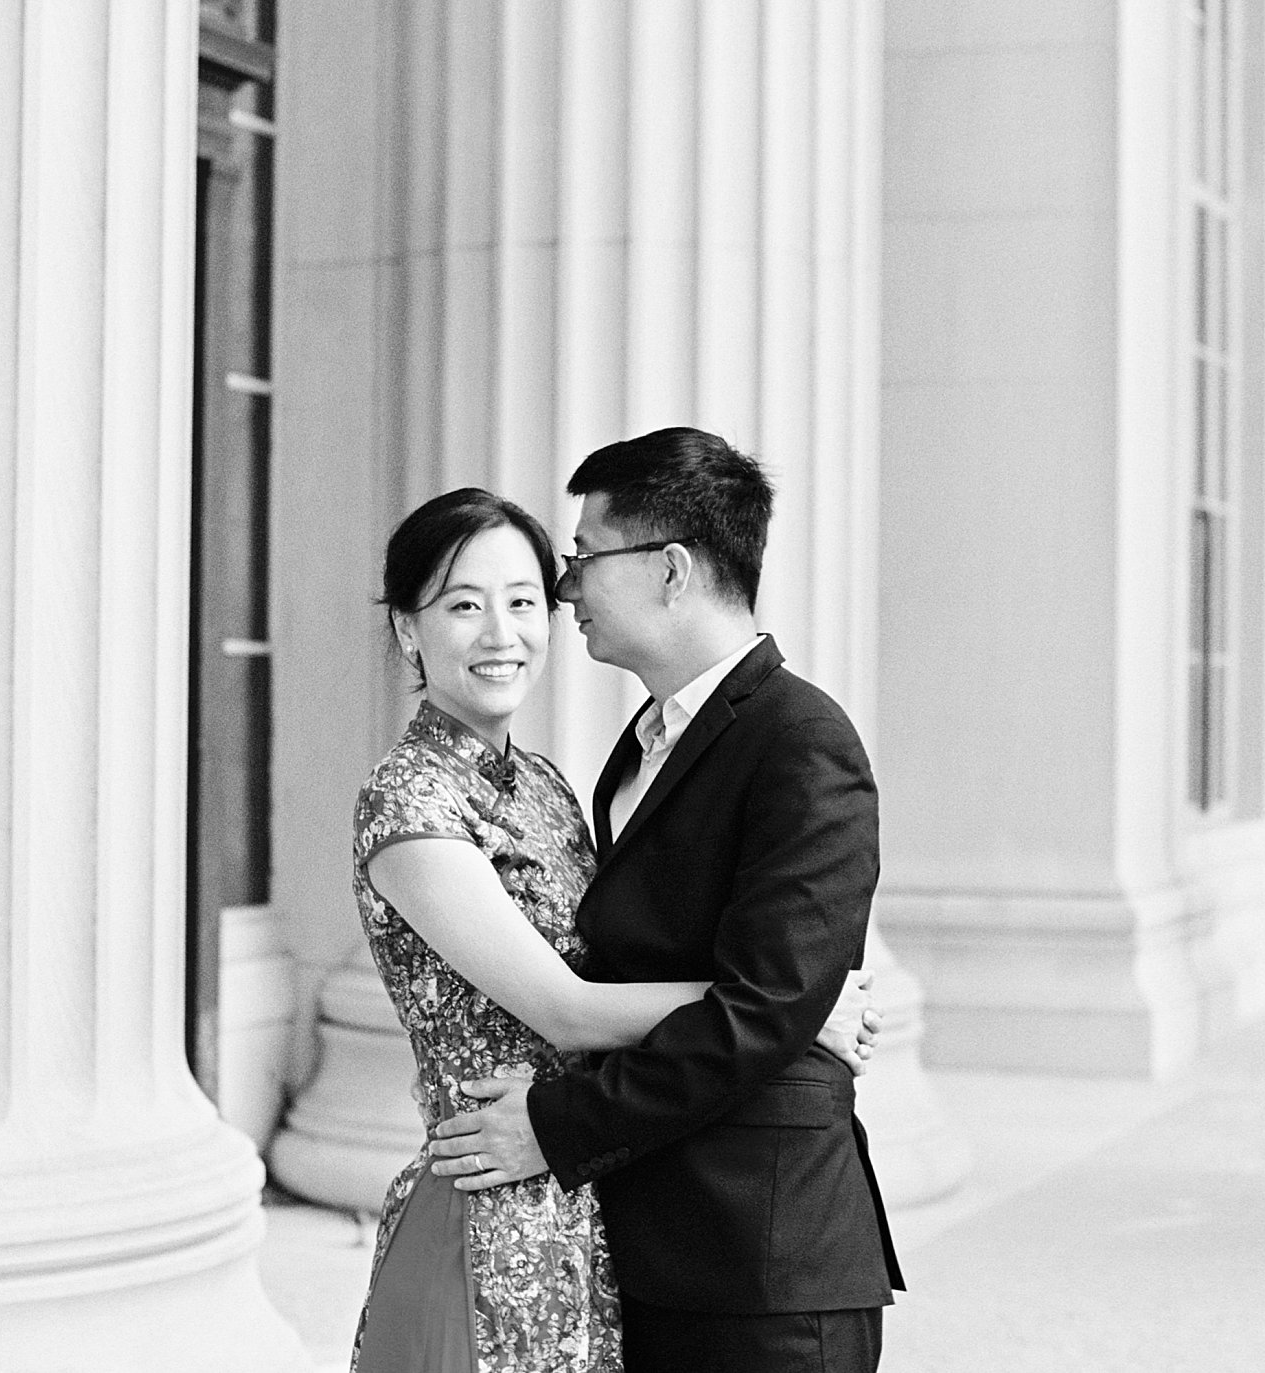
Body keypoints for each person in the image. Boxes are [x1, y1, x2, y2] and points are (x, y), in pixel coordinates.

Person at [348, 486, 877, 1373]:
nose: (500, 634)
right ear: (409, 630)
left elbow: (631, 959)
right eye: (463, 606)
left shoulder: (554, 785)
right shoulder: (409, 799)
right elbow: (566, 1009)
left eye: (524, 601)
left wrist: (782, 1001)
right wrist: (795, 1004)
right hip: (488, 1203)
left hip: (590, 1204)